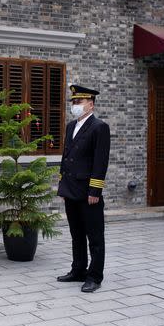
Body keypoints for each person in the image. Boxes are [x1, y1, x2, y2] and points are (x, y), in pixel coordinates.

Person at [56, 85, 111, 293]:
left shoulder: (99, 127)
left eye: (79, 102)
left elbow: (100, 161)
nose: (75, 105)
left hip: (88, 192)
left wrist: (95, 191)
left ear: (91, 104)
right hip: (71, 189)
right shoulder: (71, 126)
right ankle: (78, 269)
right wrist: (63, 186)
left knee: (94, 236)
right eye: (73, 102)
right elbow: (66, 157)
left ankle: (95, 276)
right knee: (76, 233)